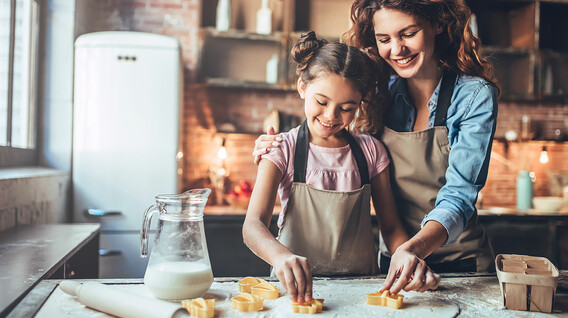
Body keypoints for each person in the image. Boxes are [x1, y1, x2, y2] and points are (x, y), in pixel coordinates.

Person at [252, 0, 499, 295]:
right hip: (393, 263)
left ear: (438, 24)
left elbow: (458, 197)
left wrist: (412, 251)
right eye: (384, 39)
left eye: (408, 34)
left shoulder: (473, 97)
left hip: (461, 262)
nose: (397, 49)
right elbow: (333, 138)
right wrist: (272, 149)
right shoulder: (379, 92)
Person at [242, 31, 440, 304]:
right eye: (321, 102)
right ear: (302, 87)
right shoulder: (281, 148)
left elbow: (391, 227)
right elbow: (253, 225)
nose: (331, 116)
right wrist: (280, 257)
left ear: (359, 104)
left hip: (360, 290)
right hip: (296, 292)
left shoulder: (370, 151)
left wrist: (407, 256)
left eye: (347, 108)